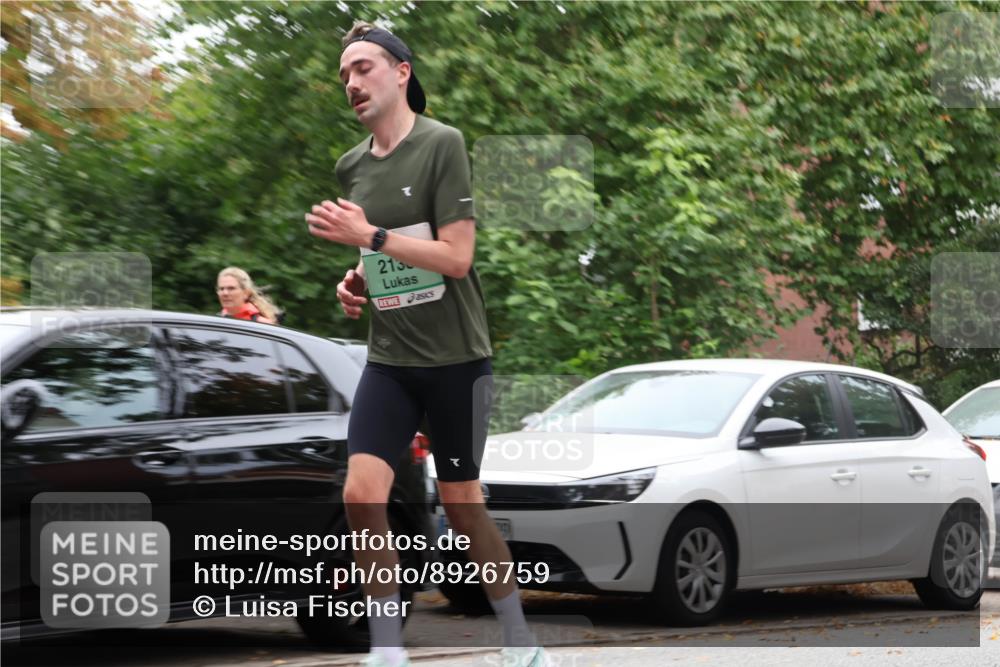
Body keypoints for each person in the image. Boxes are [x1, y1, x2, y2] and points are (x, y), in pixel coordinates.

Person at [305, 22, 546, 667]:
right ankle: (387, 647)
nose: (352, 83)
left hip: (457, 361)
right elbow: (379, 254)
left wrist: (372, 236)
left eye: (363, 68)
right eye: (345, 75)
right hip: (390, 360)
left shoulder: (443, 145)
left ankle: (520, 641)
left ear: (401, 71)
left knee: (463, 506)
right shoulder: (351, 165)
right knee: (361, 492)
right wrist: (356, 281)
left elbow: (457, 258)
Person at [216, 267, 280, 324]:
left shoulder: (263, 325)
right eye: (221, 289)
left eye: (231, 288)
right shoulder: (214, 322)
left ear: (246, 293)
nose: (225, 293)